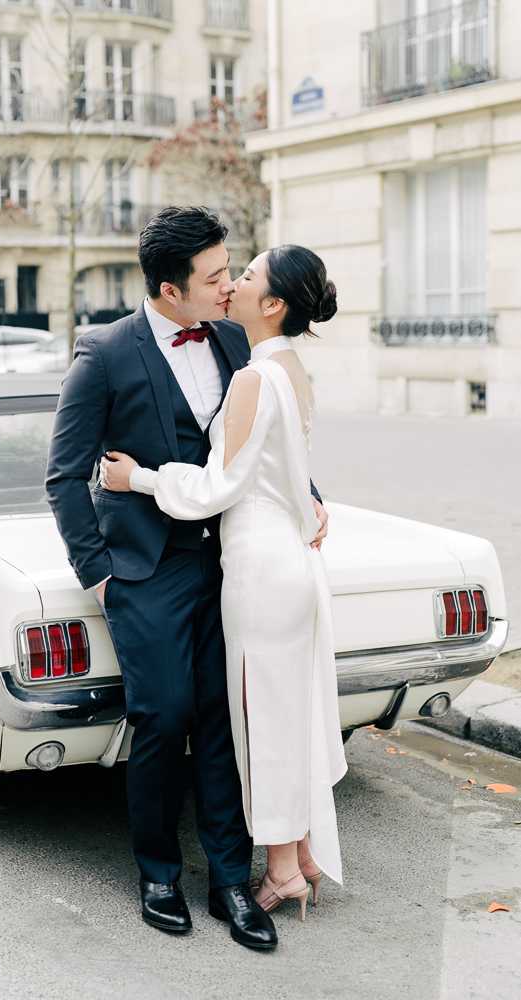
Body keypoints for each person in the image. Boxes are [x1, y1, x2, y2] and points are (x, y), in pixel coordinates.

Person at [45, 207, 327, 952]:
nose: (227, 283)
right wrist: (98, 573)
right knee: (164, 715)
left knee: (222, 719)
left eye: (232, 269)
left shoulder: (238, 339)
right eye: (213, 277)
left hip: (230, 562)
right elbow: (65, 473)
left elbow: (260, 447)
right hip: (145, 569)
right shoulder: (104, 352)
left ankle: (231, 881)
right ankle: (158, 873)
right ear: (171, 291)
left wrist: (311, 494)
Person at [100, 243, 348, 924]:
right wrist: (310, 507)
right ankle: (296, 857)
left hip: (260, 571)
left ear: (271, 305)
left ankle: (279, 872)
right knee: (287, 714)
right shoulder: (291, 369)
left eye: (244, 276)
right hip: (292, 561)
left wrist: (139, 478)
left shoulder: (250, 379)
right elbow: (285, 468)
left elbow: (219, 486)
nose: (231, 284)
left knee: (259, 723)